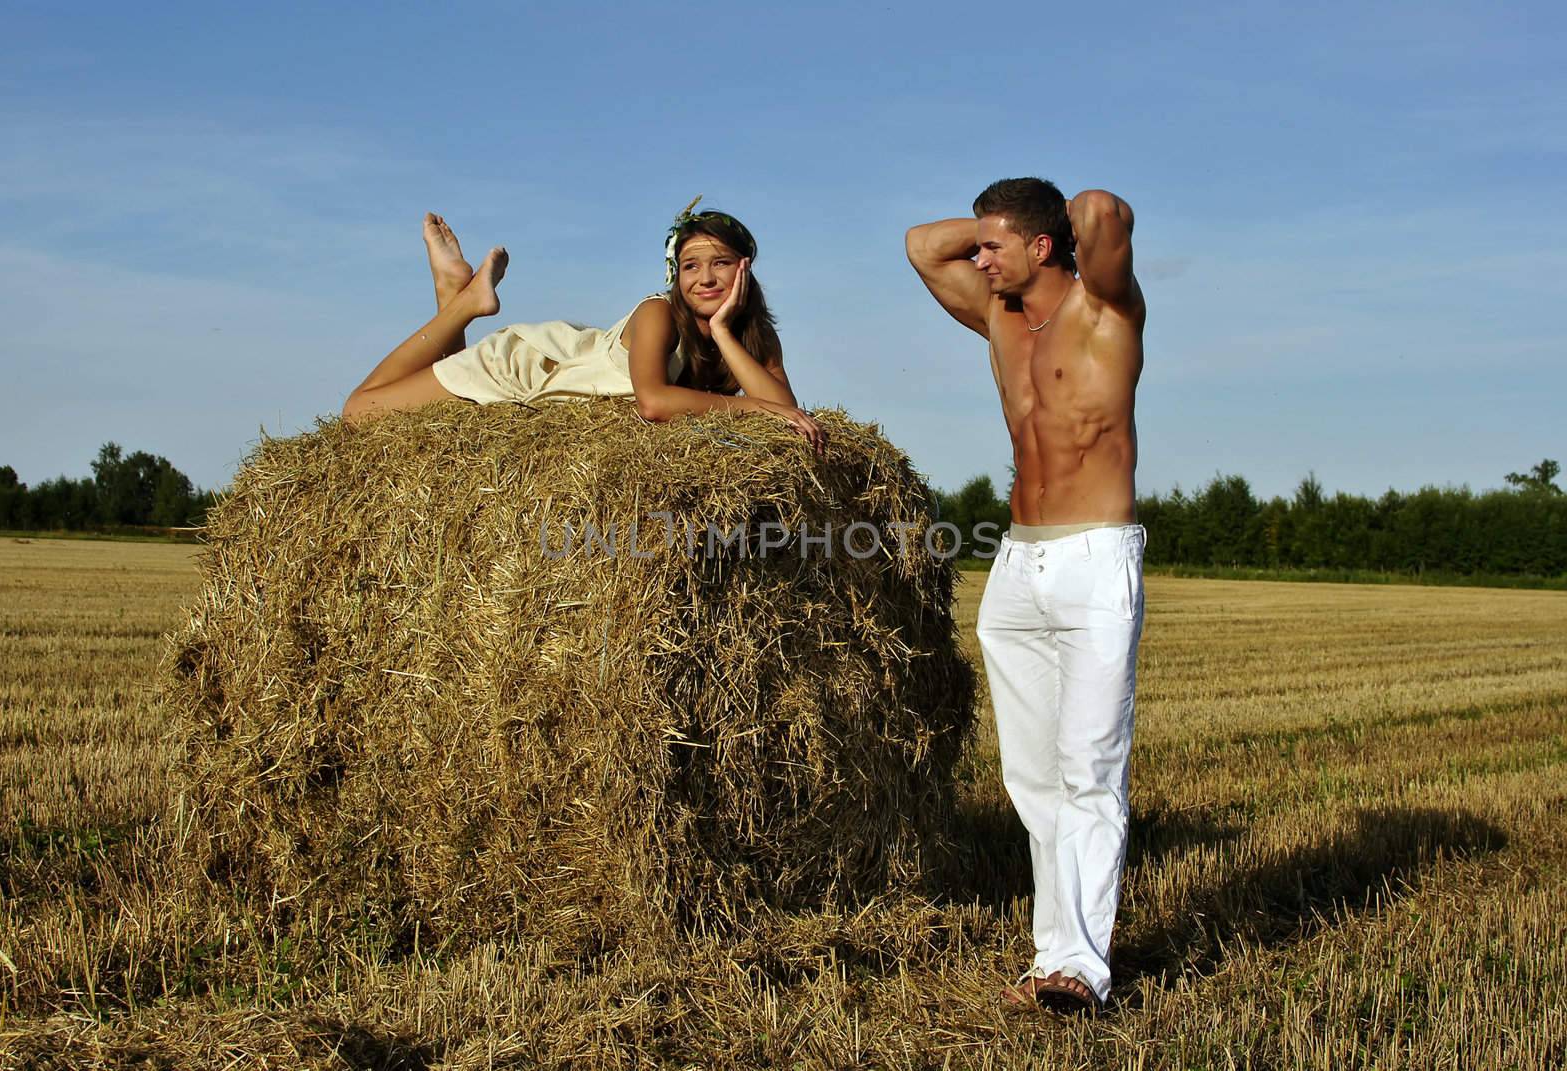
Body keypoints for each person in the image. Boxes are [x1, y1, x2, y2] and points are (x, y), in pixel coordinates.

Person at [906, 177, 1146, 1015]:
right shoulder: (999, 318)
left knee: (1090, 769)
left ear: (1043, 247)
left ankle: (1084, 963)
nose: (977, 258)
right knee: (1033, 775)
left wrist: (1063, 212)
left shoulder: (1107, 311)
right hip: (1019, 564)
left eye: (995, 246)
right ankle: (1054, 953)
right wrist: (993, 228)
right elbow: (917, 244)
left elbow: (1101, 213)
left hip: (1093, 559)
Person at [341, 201, 824, 452]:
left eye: (719, 264)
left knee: (434, 419)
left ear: (743, 268)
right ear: (675, 275)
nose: (704, 278)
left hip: (555, 378)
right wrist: (749, 408)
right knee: (361, 413)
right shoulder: (657, 313)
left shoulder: (751, 335)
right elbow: (654, 402)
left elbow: (784, 413)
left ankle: (451, 290)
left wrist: (722, 333)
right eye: (691, 266)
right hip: (527, 369)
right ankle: (464, 304)